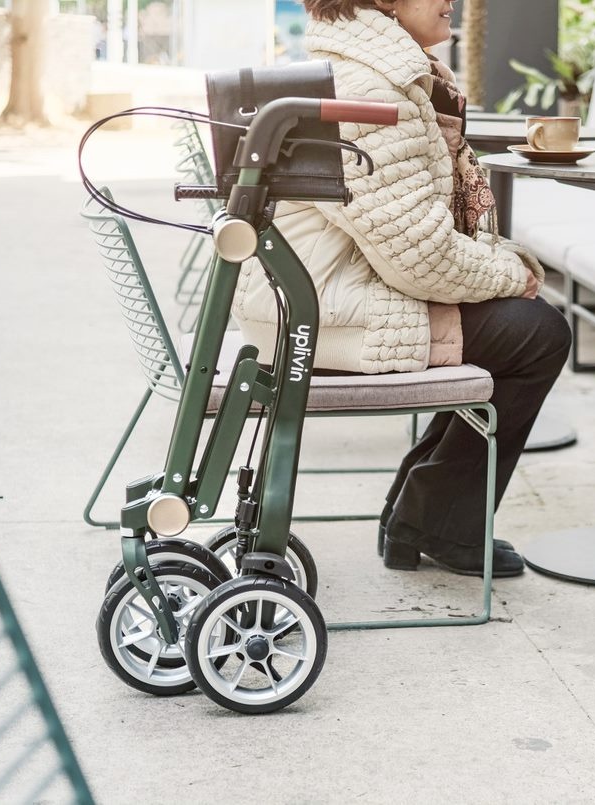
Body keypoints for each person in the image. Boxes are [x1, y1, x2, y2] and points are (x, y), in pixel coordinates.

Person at [232, 0, 571, 577]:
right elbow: (419, 256)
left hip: (309, 301)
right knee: (537, 334)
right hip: (325, 316)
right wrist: (513, 271)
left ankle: (422, 517)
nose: (453, 2)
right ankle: (434, 524)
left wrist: (499, 268)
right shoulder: (372, 89)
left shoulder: (365, 72)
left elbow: (411, 238)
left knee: (516, 325)